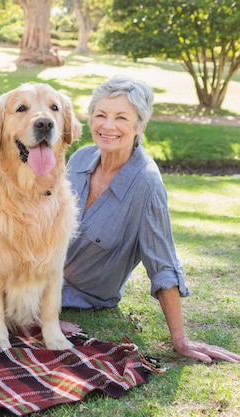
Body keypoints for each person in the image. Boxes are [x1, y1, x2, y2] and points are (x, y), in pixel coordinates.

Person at [63, 74, 240, 363]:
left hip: (83, 296)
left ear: (140, 125)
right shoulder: (81, 158)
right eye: (100, 115)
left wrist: (180, 339)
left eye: (121, 117)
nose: (107, 126)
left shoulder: (146, 181)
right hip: (39, 280)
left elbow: (162, 262)